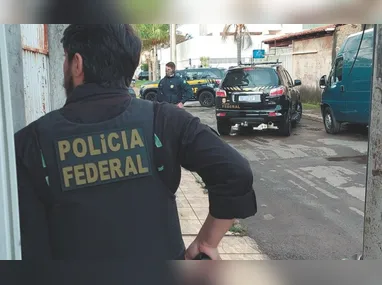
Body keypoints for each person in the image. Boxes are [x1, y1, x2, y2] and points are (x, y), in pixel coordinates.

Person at [14, 24, 257, 261]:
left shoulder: (29, 142)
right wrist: (206, 243)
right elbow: (235, 172)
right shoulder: (165, 120)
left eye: (65, 59)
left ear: (77, 64)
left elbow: (29, 240)